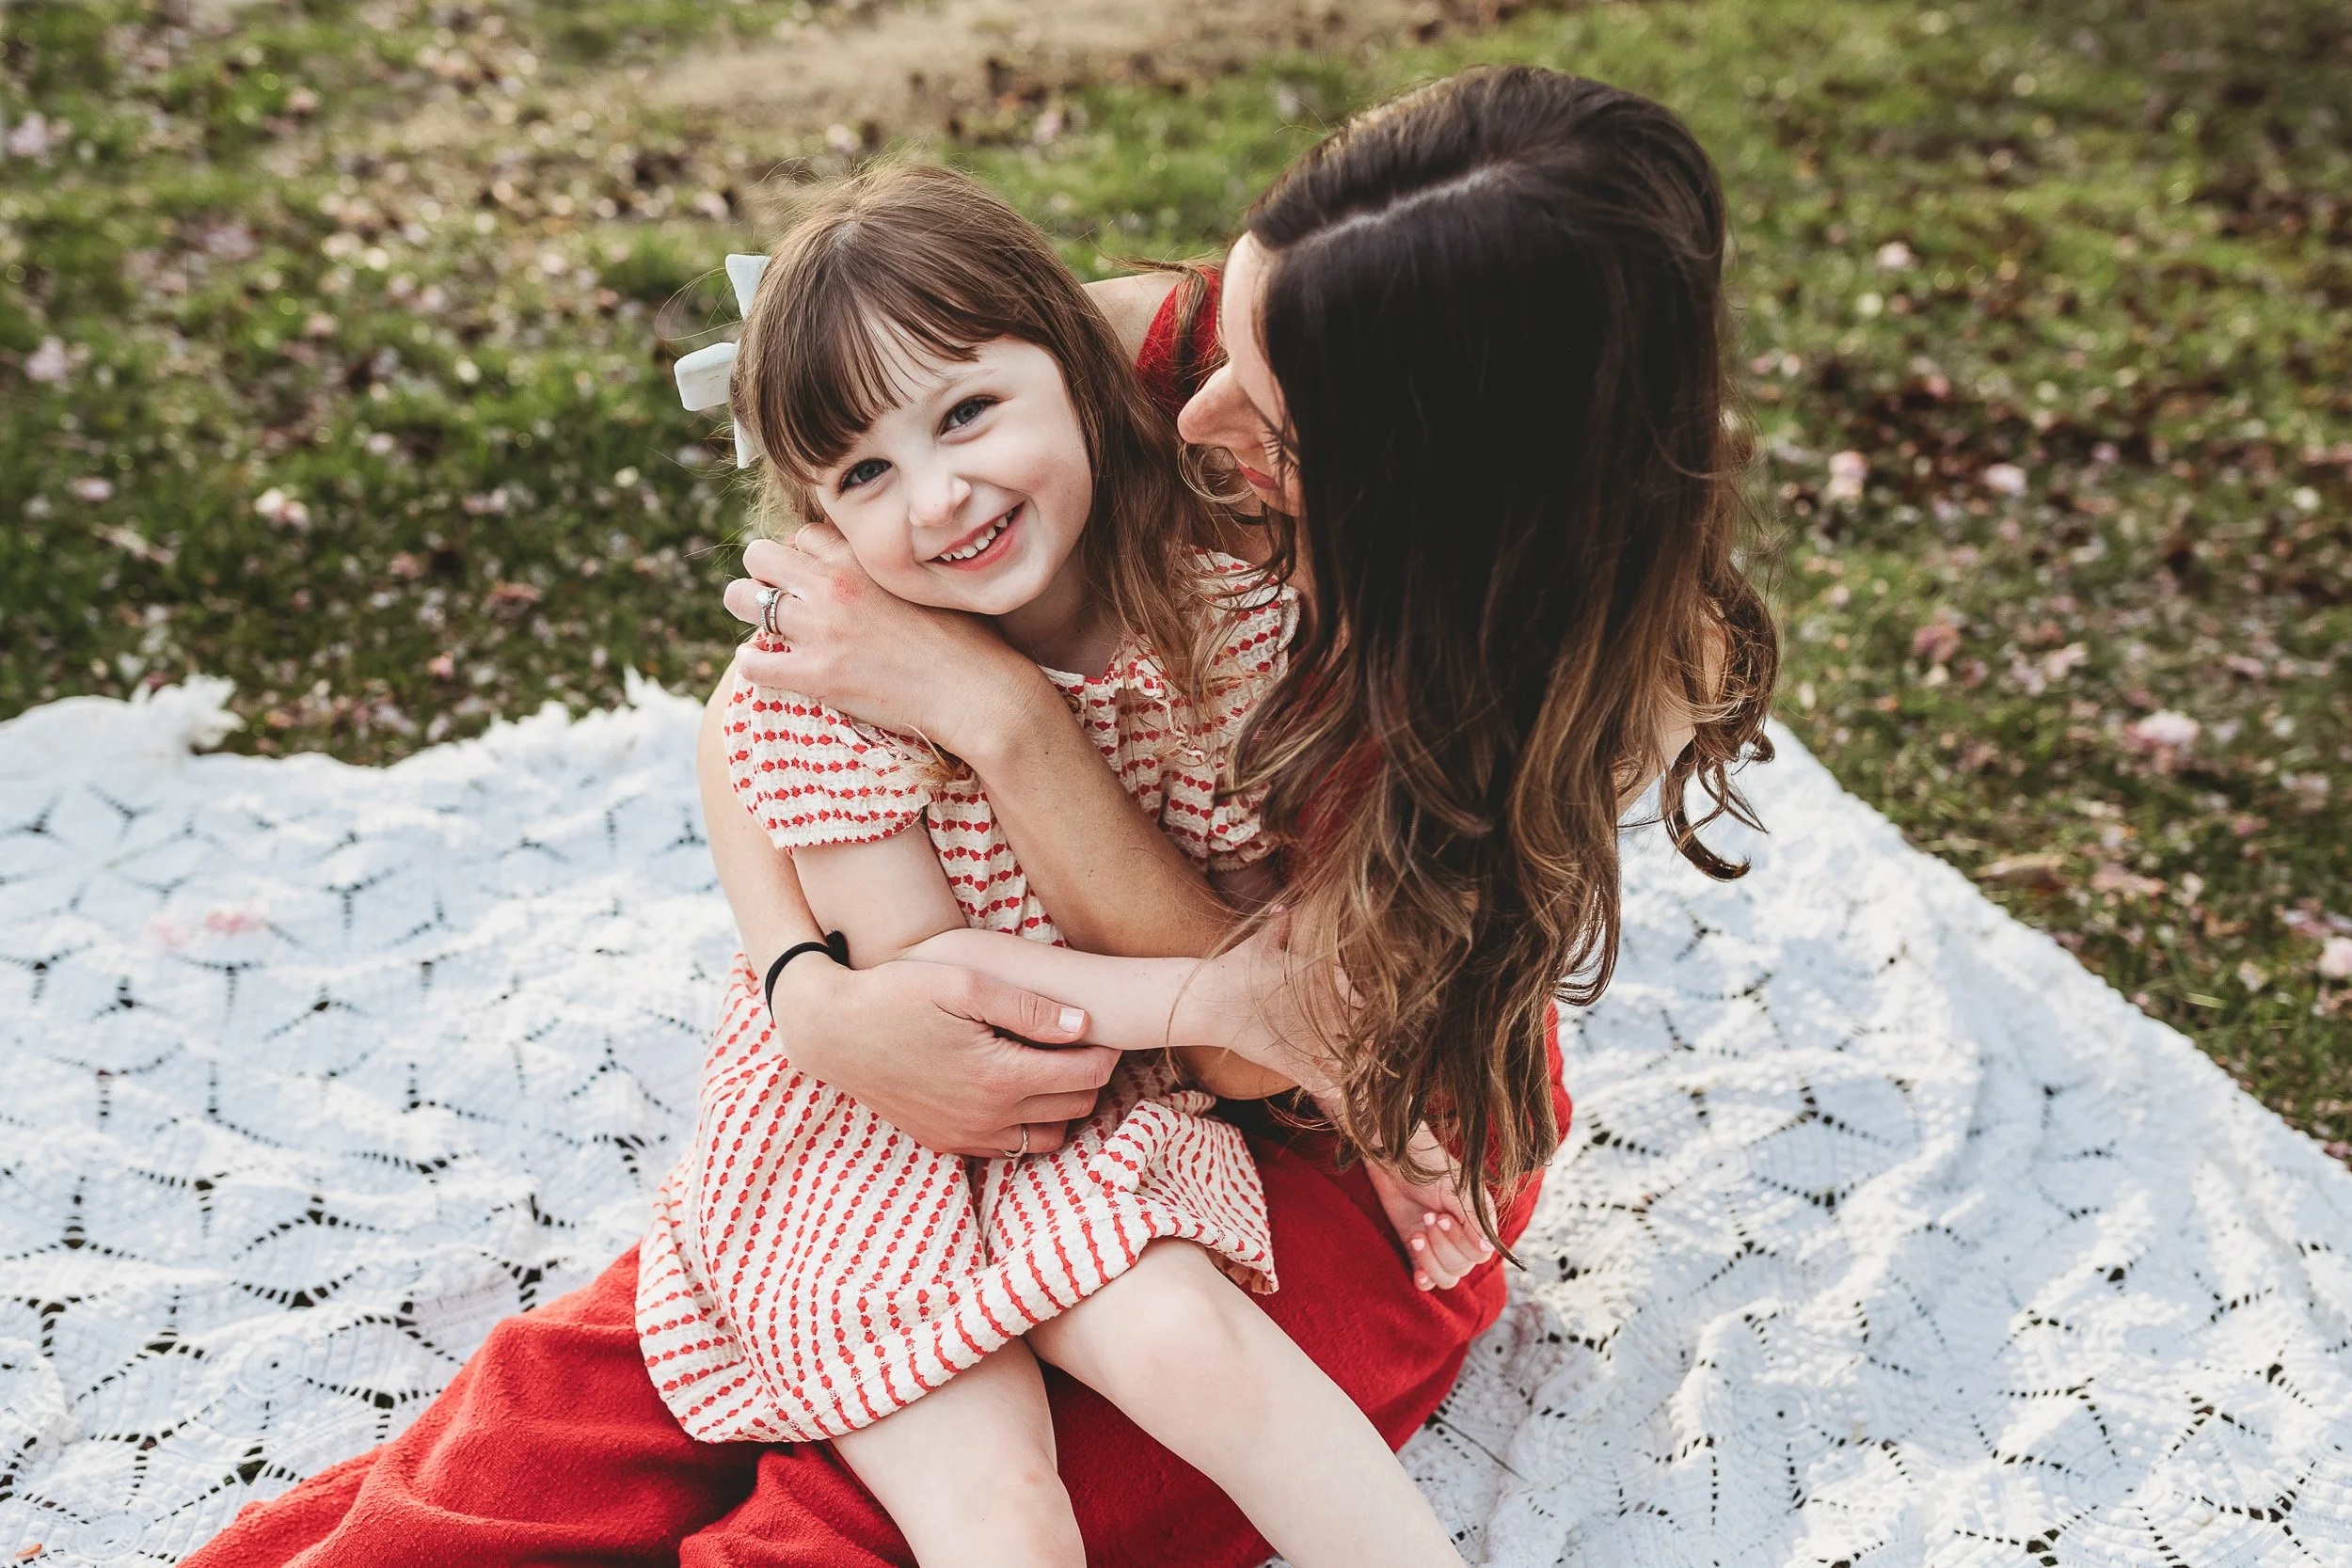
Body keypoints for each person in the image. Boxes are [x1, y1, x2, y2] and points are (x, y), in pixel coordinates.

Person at [184, 65, 1773, 1568]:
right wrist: (818, 1001)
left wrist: (1002, 718)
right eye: (1223, 335)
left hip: (1346, 1117)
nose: (1201, 414)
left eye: (1271, 417)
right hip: (996, 1049)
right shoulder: (1126, 375)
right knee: (674, 1356)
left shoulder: (1498, 710)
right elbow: (778, 693)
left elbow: (1254, 1045)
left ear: (1425, 488)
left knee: (930, 1490)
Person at [640, 161, 1480, 1568]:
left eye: (966, 412)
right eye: (865, 474)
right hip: (883, 1132)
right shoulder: (832, 692)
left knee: (1200, 1347)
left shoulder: (1227, 612)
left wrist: (1371, 1108)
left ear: (1080, 366)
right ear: (821, 522)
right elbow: (935, 983)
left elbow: (1294, 922)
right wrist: (1212, 1005)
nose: (940, 494)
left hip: (1087, 1115)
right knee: (1002, 1509)